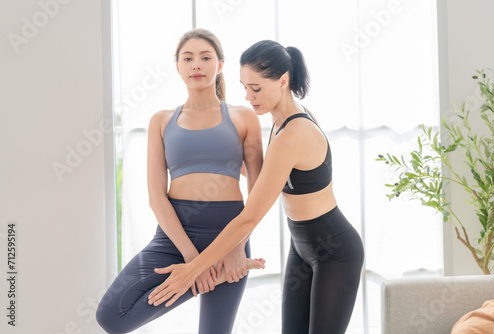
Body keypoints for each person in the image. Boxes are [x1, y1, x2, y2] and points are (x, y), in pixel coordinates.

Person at [147, 40, 365, 334]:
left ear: (283, 81)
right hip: (301, 246)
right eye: (244, 87)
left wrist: (192, 269)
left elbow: (250, 217)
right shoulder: (280, 120)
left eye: (257, 88)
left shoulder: (294, 133)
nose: (249, 97)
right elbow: (264, 174)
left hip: (335, 250)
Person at [96, 29, 265, 334]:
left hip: (229, 238)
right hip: (173, 239)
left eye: (205, 57)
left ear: (220, 64)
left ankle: (225, 270)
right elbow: (156, 197)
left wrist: (236, 246)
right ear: (177, 67)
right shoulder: (161, 120)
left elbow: (259, 193)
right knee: (111, 316)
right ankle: (221, 274)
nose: (196, 65)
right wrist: (193, 264)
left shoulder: (244, 117)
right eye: (188, 58)